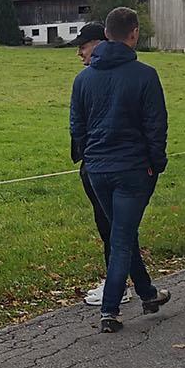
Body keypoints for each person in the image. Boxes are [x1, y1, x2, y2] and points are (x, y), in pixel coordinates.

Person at [70, 5, 170, 333]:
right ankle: (110, 309)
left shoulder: (83, 79)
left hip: (97, 169)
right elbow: (156, 125)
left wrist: (90, 156)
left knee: (122, 233)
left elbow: (77, 126)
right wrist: (156, 163)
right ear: (134, 33)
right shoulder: (145, 75)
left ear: (106, 35)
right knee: (122, 237)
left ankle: (148, 293)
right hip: (133, 168)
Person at [65, 21, 126, 309]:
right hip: (97, 161)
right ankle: (130, 283)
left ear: (100, 44)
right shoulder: (90, 77)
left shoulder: (97, 78)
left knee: (112, 225)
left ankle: (119, 286)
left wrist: (88, 153)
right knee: (112, 225)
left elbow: (84, 123)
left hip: (105, 162)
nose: (79, 53)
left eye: (83, 46)